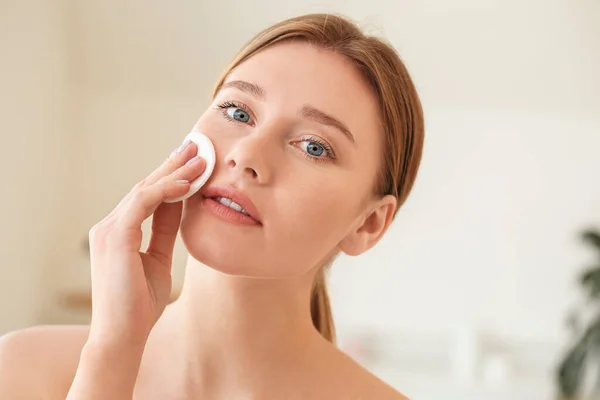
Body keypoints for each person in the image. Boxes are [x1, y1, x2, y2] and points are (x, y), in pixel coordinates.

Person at [0, 13, 424, 399]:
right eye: (238, 112)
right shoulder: (22, 369)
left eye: (314, 146)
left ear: (368, 223)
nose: (247, 154)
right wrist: (113, 354)